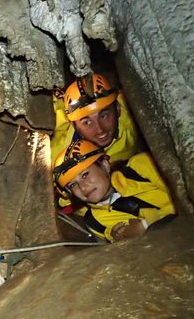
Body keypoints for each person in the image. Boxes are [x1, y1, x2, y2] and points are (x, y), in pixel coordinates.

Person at [51, 73, 143, 211]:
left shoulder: (133, 110)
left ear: (117, 109)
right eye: (87, 122)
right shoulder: (58, 155)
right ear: (74, 125)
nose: (100, 129)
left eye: (104, 115)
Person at [53, 139, 175, 242]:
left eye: (85, 175)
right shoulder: (95, 222)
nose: (83, 187)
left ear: (105, 166)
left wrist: (145, 225)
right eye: (73, 185)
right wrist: (119, 239)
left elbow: (185, 199)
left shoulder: (141, 167)